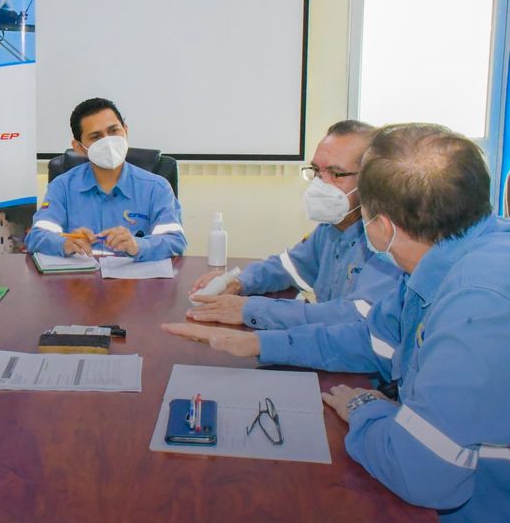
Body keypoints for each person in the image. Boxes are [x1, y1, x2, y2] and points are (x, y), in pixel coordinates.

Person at [164, 123, 510, 521]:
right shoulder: (441, 256)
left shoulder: (477, 304)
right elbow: (371, 339)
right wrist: (259, 344)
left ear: (380, 226)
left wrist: (363, 408)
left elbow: (423, 474)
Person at [188, 120, 401, 330]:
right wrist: (239, 282)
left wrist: (250, 310)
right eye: (316, 171)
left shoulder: (386, 242)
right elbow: (286, 267)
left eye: (336, 173)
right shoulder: (331, 229)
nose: (320, 183)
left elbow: (353, 318)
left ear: (373, 180)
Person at [25, 97, 186, 261]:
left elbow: (175, 241)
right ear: (79, 147)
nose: (108, 141)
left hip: (136, 276)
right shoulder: (62, 187)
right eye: (96, 137)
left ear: (125, 130)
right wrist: (64, 243)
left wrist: (138, 245)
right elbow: (36, 238)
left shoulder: (156, 187)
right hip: (80, 276)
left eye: (113, 131)